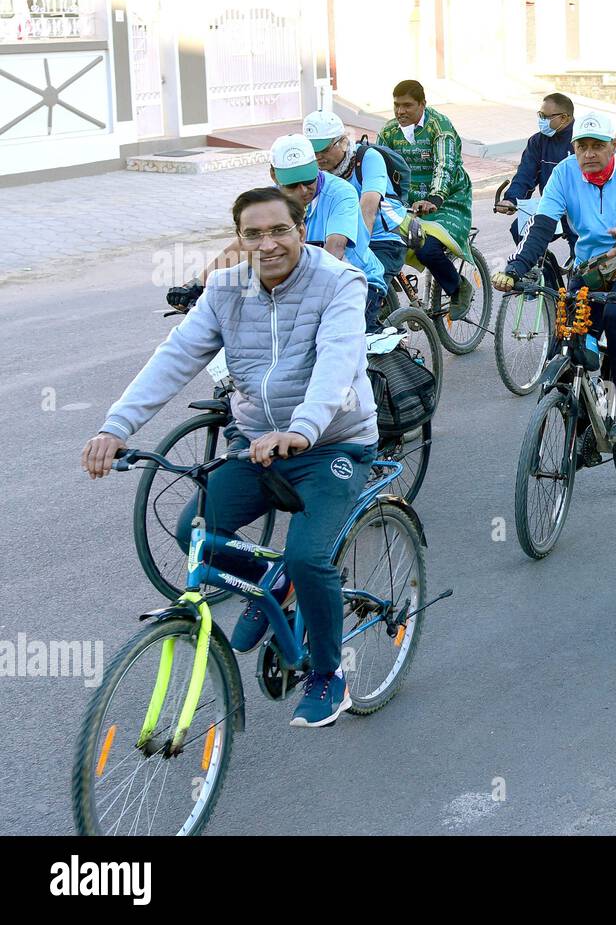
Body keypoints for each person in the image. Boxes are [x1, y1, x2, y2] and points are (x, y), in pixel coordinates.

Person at [82, 187, 378, 728]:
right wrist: (116, 425)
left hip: (332, 443)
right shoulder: (225, 288)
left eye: (279, 231)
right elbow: (174, 357)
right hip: (258, 445)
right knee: (193, 528)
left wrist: (302, 430)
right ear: (238, 239)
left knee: (311, 557)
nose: (268, 244)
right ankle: (273, 582)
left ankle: (328, 676)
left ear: (300, 227)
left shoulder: (339, 282)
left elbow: (338, 365)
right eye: (253, 234)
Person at [491, 112, 616, 443]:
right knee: (571, 339)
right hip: (591, 265)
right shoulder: (564, 174)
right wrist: (515, 268)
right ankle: (581, 425)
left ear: (613, 146)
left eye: (597, 146)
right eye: (582, 147)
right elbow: (542, 225)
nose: (588, 154)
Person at [201, 134, 389, 332]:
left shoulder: (341, 193)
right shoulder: (270, 202)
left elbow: (335, 248)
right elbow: (241, 246)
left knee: (341, 341)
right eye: (292, 184)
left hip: (356, 279)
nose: (303, 190)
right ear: (274, 176)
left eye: (309, 180)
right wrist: (196, 284)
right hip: (299, 284)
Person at [377, 79, 474, 319]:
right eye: (397, 105)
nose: (401, 111)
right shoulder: (388, 132)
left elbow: (445, 165)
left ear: (422, 104)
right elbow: (378, 170)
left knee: (426, 248)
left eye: (408, 105)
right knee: (379, 242)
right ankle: (384, 297)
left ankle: (458, 286)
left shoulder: (440, 127)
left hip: (448, 200)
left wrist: (435, 198)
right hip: (407, 203)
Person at [303, 110, 408, 330]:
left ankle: (397, 355)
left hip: (381, 238)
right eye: (312, 151)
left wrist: (358, 254)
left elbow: (368, 209)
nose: (318, 156)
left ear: (342, 142)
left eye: (323, 149)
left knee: (359, 315)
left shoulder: (368, 159)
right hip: (337, 240)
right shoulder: (312, 173)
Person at [495, 92, 577, 260]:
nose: (541, 120)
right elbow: (526, 174)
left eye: (546, 116)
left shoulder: (581, 141)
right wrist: (511, 199)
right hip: (551, 207)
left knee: (581, 257)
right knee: (520, 229)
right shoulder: (538, 141)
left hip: (580, 211)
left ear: (565, 118)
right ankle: (542, 273)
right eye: (540, 115)